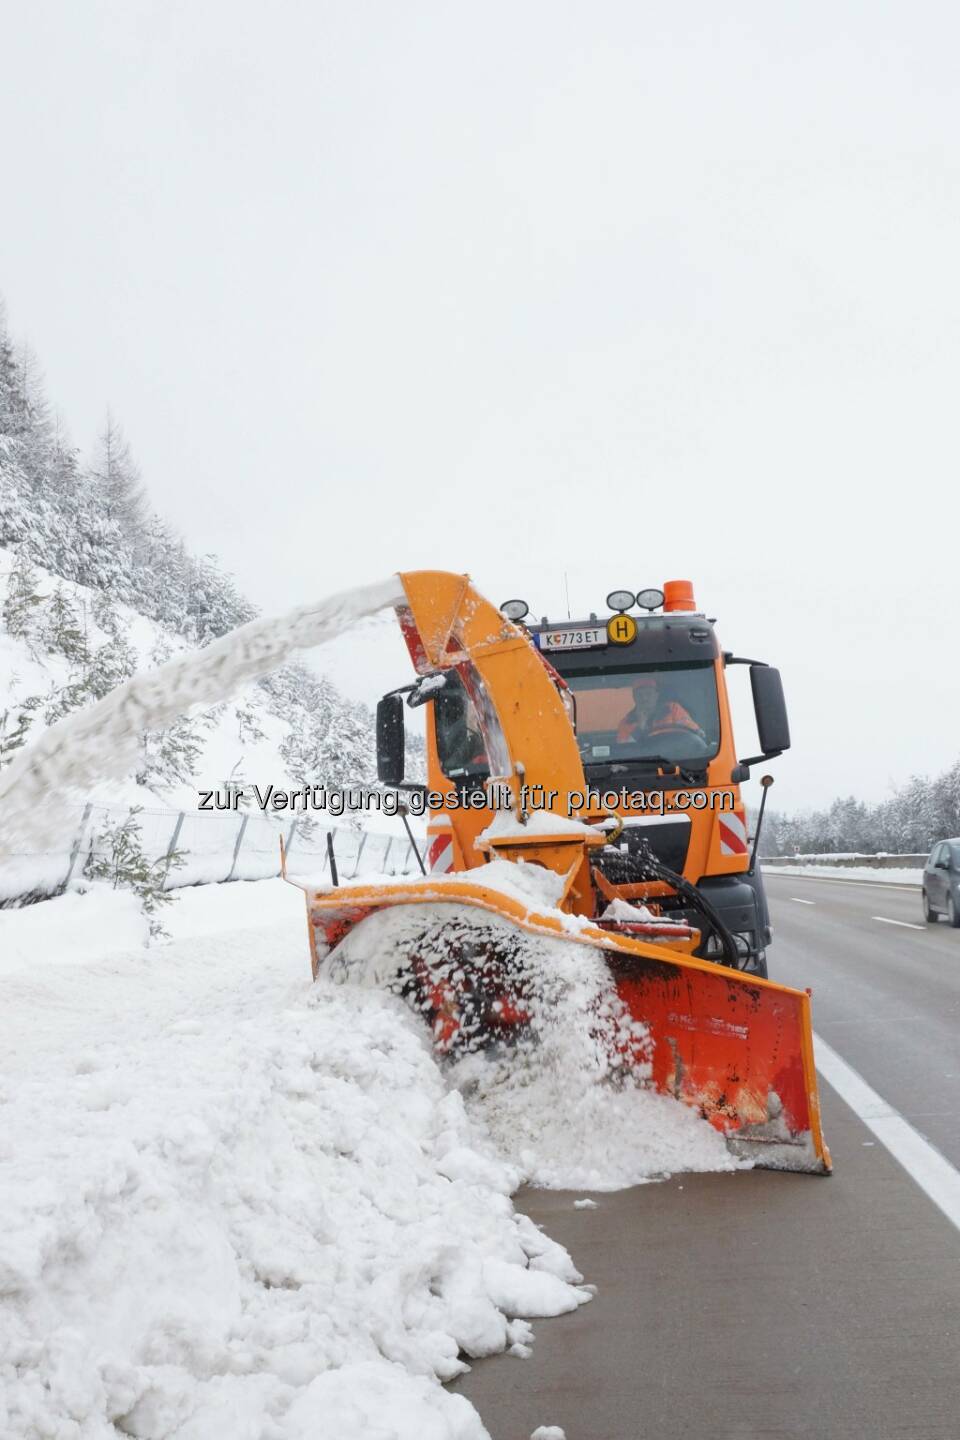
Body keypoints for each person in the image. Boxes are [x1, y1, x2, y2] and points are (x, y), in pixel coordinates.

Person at [616, 676, 703, 745]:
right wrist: (640, 728)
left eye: (648, 693)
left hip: (674, 759)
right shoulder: (626, 723)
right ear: (634, 697)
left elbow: (695, 733)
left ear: (657, 695)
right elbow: (625, 750)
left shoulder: (673, 709)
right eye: (639, 695)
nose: (644, 698)